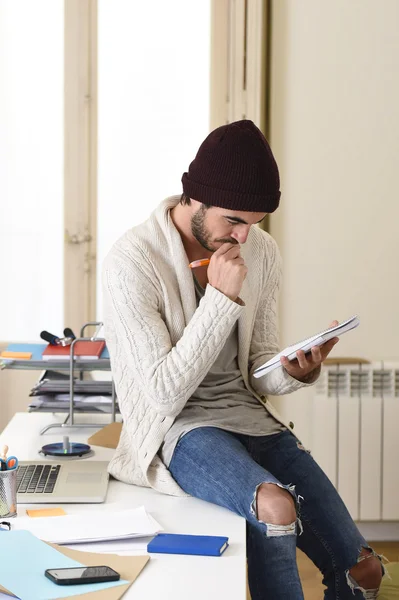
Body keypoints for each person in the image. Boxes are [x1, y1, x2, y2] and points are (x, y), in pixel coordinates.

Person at [103, 120, 383, 599]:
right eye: (232, 220)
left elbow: (258, 365)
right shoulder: (133, 259)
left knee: (366, 572)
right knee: (276, 509)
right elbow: (163, 392)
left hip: (250, 417)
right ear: (195, 198)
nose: (243, 237)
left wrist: (297, 370)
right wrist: (220, 297)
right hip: (181, 426)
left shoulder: (262, 252)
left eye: (254, 224)